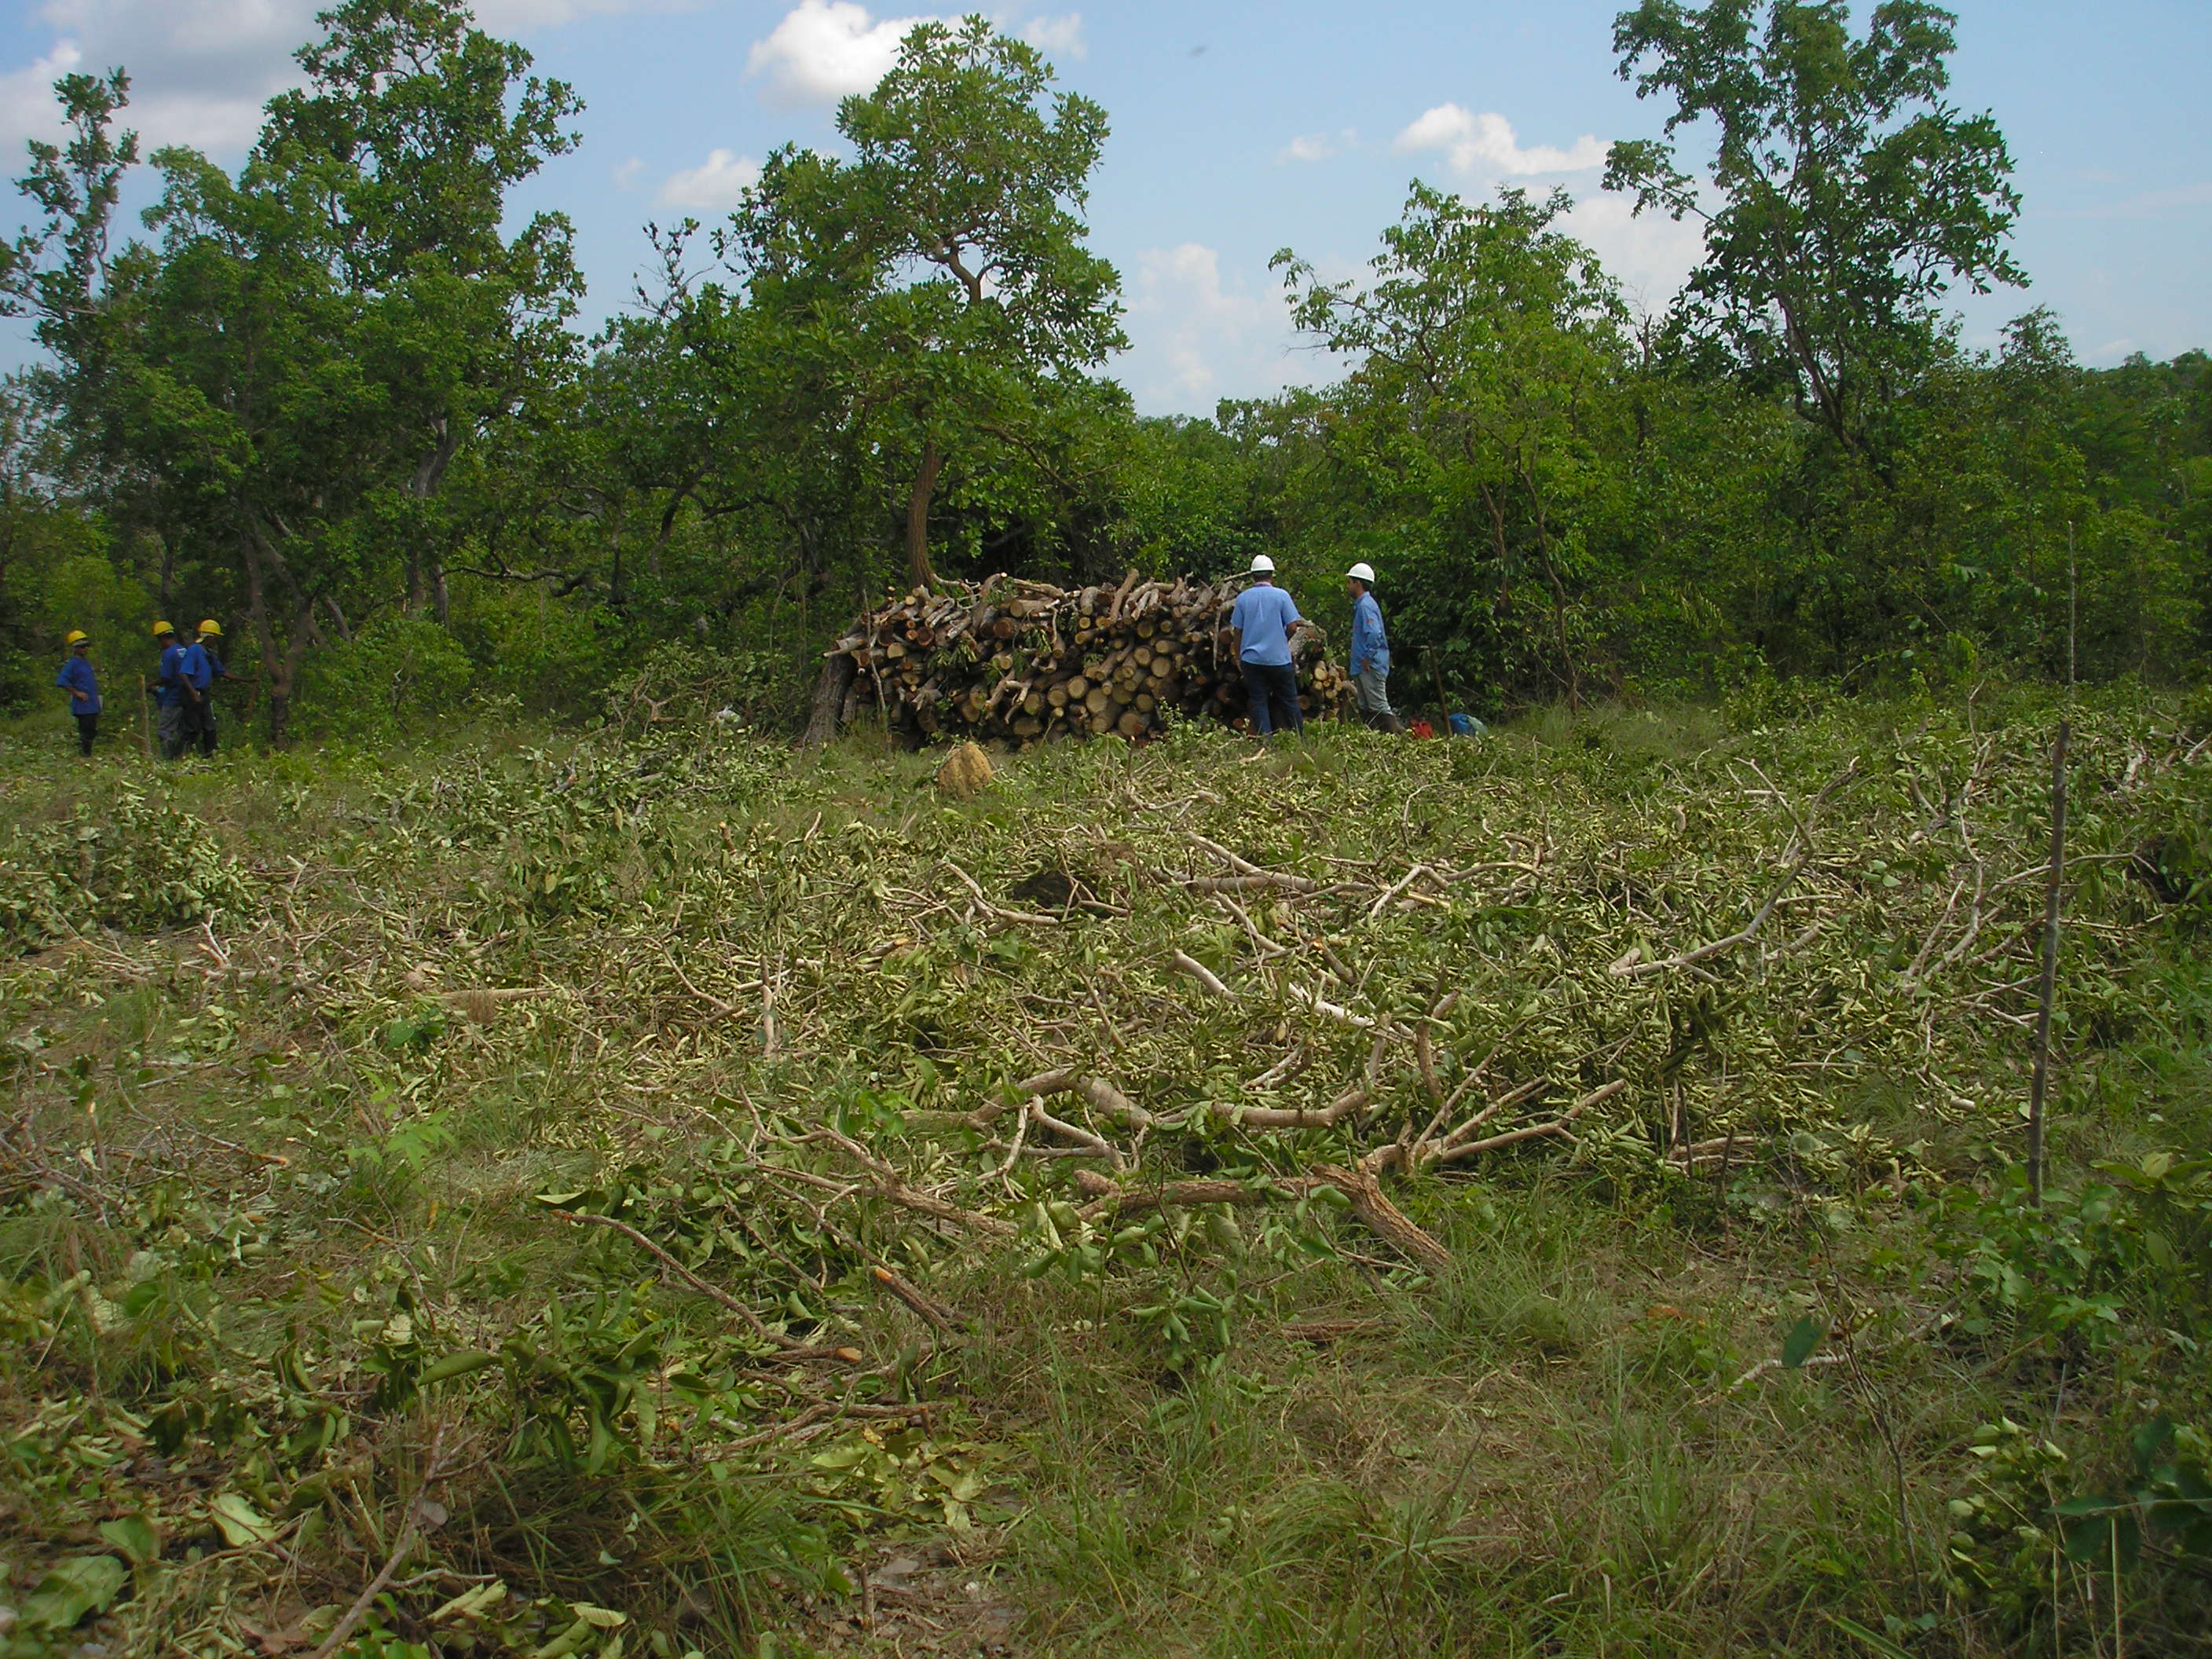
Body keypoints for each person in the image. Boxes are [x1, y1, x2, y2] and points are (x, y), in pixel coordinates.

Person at [1229, 554, 1307, 738]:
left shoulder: (1243, 598)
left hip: (1252, 660)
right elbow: (1293, 626)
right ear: (1271, 574)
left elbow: (1237, 631)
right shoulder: (1282, 596)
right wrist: (1282, 640)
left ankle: (1266, 741)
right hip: (1279, 659)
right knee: (1289, 700)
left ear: (1253, 576)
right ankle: (1300, 739)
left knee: (1259, 701)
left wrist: (1238, 655)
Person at [1344, 562, 1404, 734]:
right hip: (1363, 666)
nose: (1348, 586)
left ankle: (1397, 736)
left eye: (1350, 582)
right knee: (1366, 706)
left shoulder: (1365, 606)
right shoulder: (1362, 605)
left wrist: (1367, 657)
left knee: (1378, 705)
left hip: (1370, 665)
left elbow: (1374, 633)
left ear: (1358, 583)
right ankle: (1374, 739)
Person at [56, 630, 101, 756]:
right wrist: (77, 693)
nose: (85, 649)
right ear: (75, 648)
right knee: (85, 731)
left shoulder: (86, 663)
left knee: (92, 730)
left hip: (92, 704)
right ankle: (85, 755)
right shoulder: (72, 664)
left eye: (86, 646)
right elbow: (61, 681)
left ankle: (88, 753)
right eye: (81, 647)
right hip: (83, 706)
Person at [191, 619, 228, 756]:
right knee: (193, 727)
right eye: (215, 638)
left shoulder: (209, 655)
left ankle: (210, 755)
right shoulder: (195, 650)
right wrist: (194, 693)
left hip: (204, 694)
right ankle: (184, 755)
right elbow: (184, 673)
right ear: (210, 637)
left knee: (210, 727)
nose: (216, 641)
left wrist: (248, 681)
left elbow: (222, 672)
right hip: (194, 694)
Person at [153, 621, 190, 760]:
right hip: (186, 696)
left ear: (161, 638)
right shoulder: (183, 650)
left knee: (164, 730)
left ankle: (168, 759)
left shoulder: (168, 654)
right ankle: (183, 755)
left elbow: (166, 677)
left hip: (174, 697)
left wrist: (150, 684)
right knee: (182, 729)